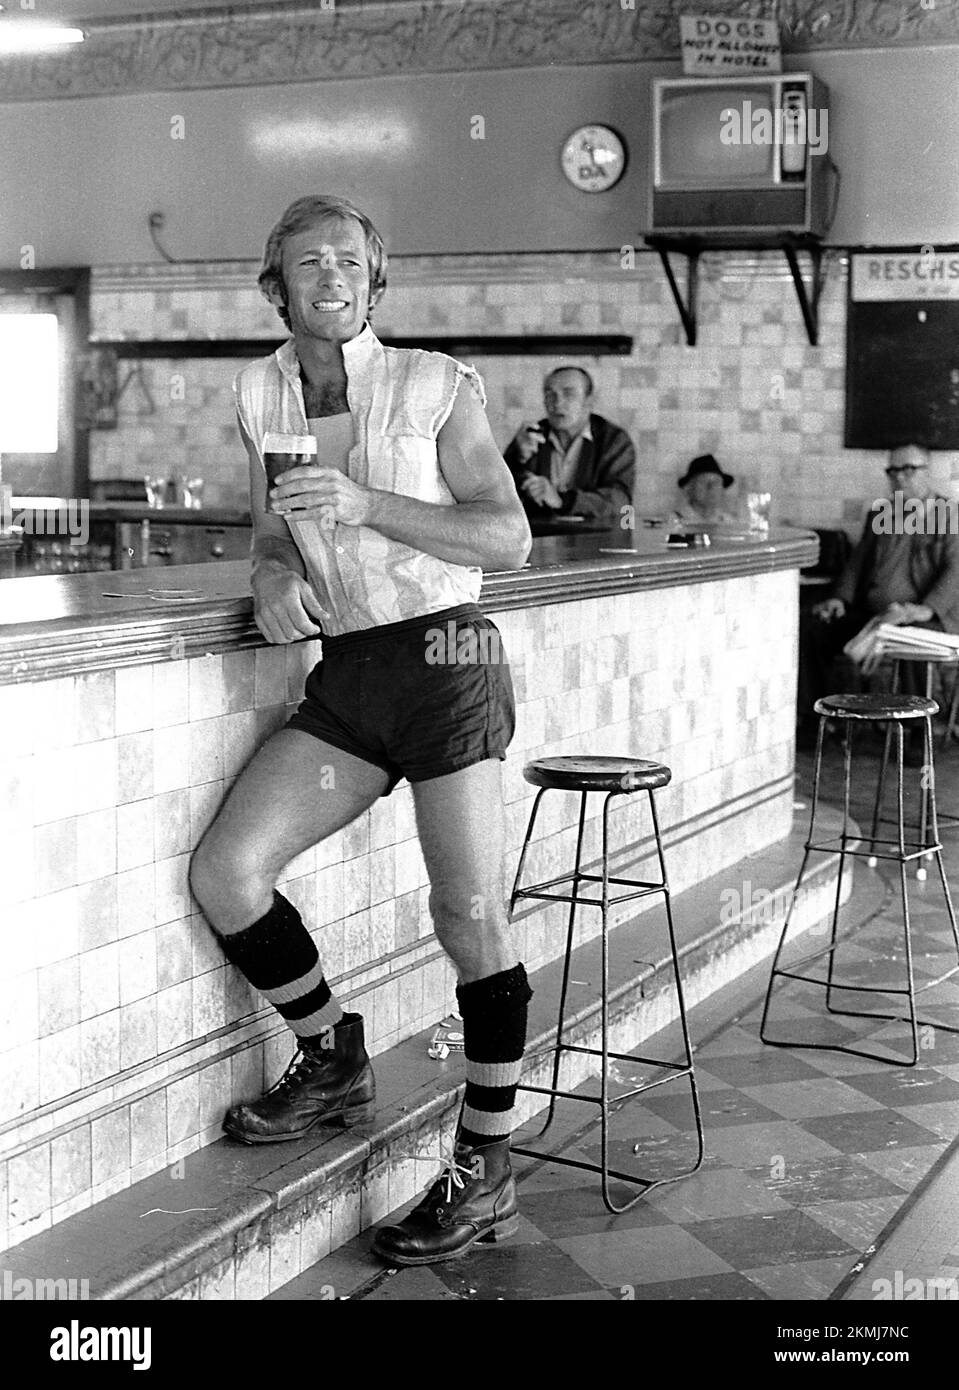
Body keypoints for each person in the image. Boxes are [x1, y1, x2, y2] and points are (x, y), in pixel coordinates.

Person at [188, 194, 534, 1266]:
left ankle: (485, 1167)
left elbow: (507, 536)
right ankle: (331, 1050)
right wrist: (272, 573)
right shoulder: (260, 390)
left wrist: (368, 504)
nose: (329, 275)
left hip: (447, 656)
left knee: (466, 911)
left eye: (348, 260)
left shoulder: (438, 383)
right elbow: (265, 530)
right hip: (354, 672)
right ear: (276, 286)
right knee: (227, 872)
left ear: (374, 282)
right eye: (307, 262)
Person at [798, 442, 959, 746]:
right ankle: (815, 719)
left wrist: (924, 609)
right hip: (876, 614)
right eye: (893, 470)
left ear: (928, 472)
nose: (900, 477)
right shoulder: (883, 513)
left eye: (909, 469)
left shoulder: (946, 513)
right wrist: (840, 598)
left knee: (911, 637)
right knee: (814, 628)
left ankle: (915, 732)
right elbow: (858, 562)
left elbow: (957, 569)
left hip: (922, 615)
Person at [503, 366, 635, 526]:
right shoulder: (532, 435)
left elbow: (620, 501)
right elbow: (500, 495)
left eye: (568, 393)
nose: (557, 403)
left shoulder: (613, 439)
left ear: (589, 401)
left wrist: (561, 500)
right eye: (550, 394)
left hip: (595, 538)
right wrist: (518, 458)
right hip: (539, 538)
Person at [674, 453, 737, 524]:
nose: (711, 487)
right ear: (688, 488)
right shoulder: (672, 523)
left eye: (716, 482)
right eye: (703, 481)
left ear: (722, 490)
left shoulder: (730, 524)